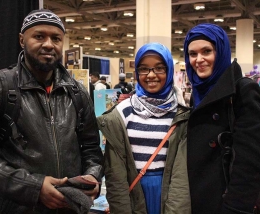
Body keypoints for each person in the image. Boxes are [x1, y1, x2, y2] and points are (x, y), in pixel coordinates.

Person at [0, 9, 103, 214]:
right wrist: (34, 187)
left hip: (69, 208)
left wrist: (92, 177)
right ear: (21, 40)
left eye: (56, 38)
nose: (49, 44)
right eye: (39, 36)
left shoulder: (77, 93)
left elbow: (91, 150)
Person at [97, 42, 191, 214]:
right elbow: (115, 174)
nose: (151, 75)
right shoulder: (122, 112)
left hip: (169, 192)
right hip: (133, 194)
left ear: (169, 71)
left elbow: (181, 175)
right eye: (144, 69)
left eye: (159, 68)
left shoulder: (180, 113)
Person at [183, 23, 260, 214]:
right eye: (193, 54)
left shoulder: (242, 91)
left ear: (221, 51)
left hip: (226, 203)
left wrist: (235, 208)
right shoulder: (198, 92)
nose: (199, 60)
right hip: (197, 199)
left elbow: (249, 162)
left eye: (206, 51)